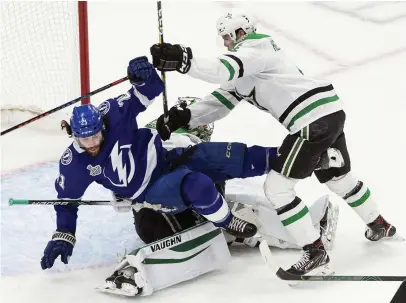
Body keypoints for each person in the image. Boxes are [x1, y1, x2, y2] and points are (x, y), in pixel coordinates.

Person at [149, 12, 398, 276]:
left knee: (277, 188)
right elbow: (220, 102)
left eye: (227, 37)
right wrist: (184, 116)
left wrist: (183, 59)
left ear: (240, 33)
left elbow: (223, 68)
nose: (225, 43)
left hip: (311, 122)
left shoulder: (256, 48)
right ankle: (379, 223)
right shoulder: (250, 63)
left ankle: (314, 252)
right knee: (338, 179)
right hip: (329, 113)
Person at [40, 56, 280, 272]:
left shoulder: (113, 112)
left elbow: (152, 88)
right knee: (198, 184)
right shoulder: (73, 164)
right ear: (74, 135)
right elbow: (66, 202)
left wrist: (143, 75)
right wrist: (64, 233)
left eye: (95, 135)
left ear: (102, 125)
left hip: (169, 156)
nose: (91, 143)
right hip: (152, 189)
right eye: (84, 139)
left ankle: (293, 156)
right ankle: (228, 222)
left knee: (233, 156)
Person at [97, 100, 339, 297]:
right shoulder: (184, 144)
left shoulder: (150, 144)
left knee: (228, 211)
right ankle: (133, 272)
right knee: (228, 218)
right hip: (164, 222)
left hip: (156, 219)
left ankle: (133, 272)